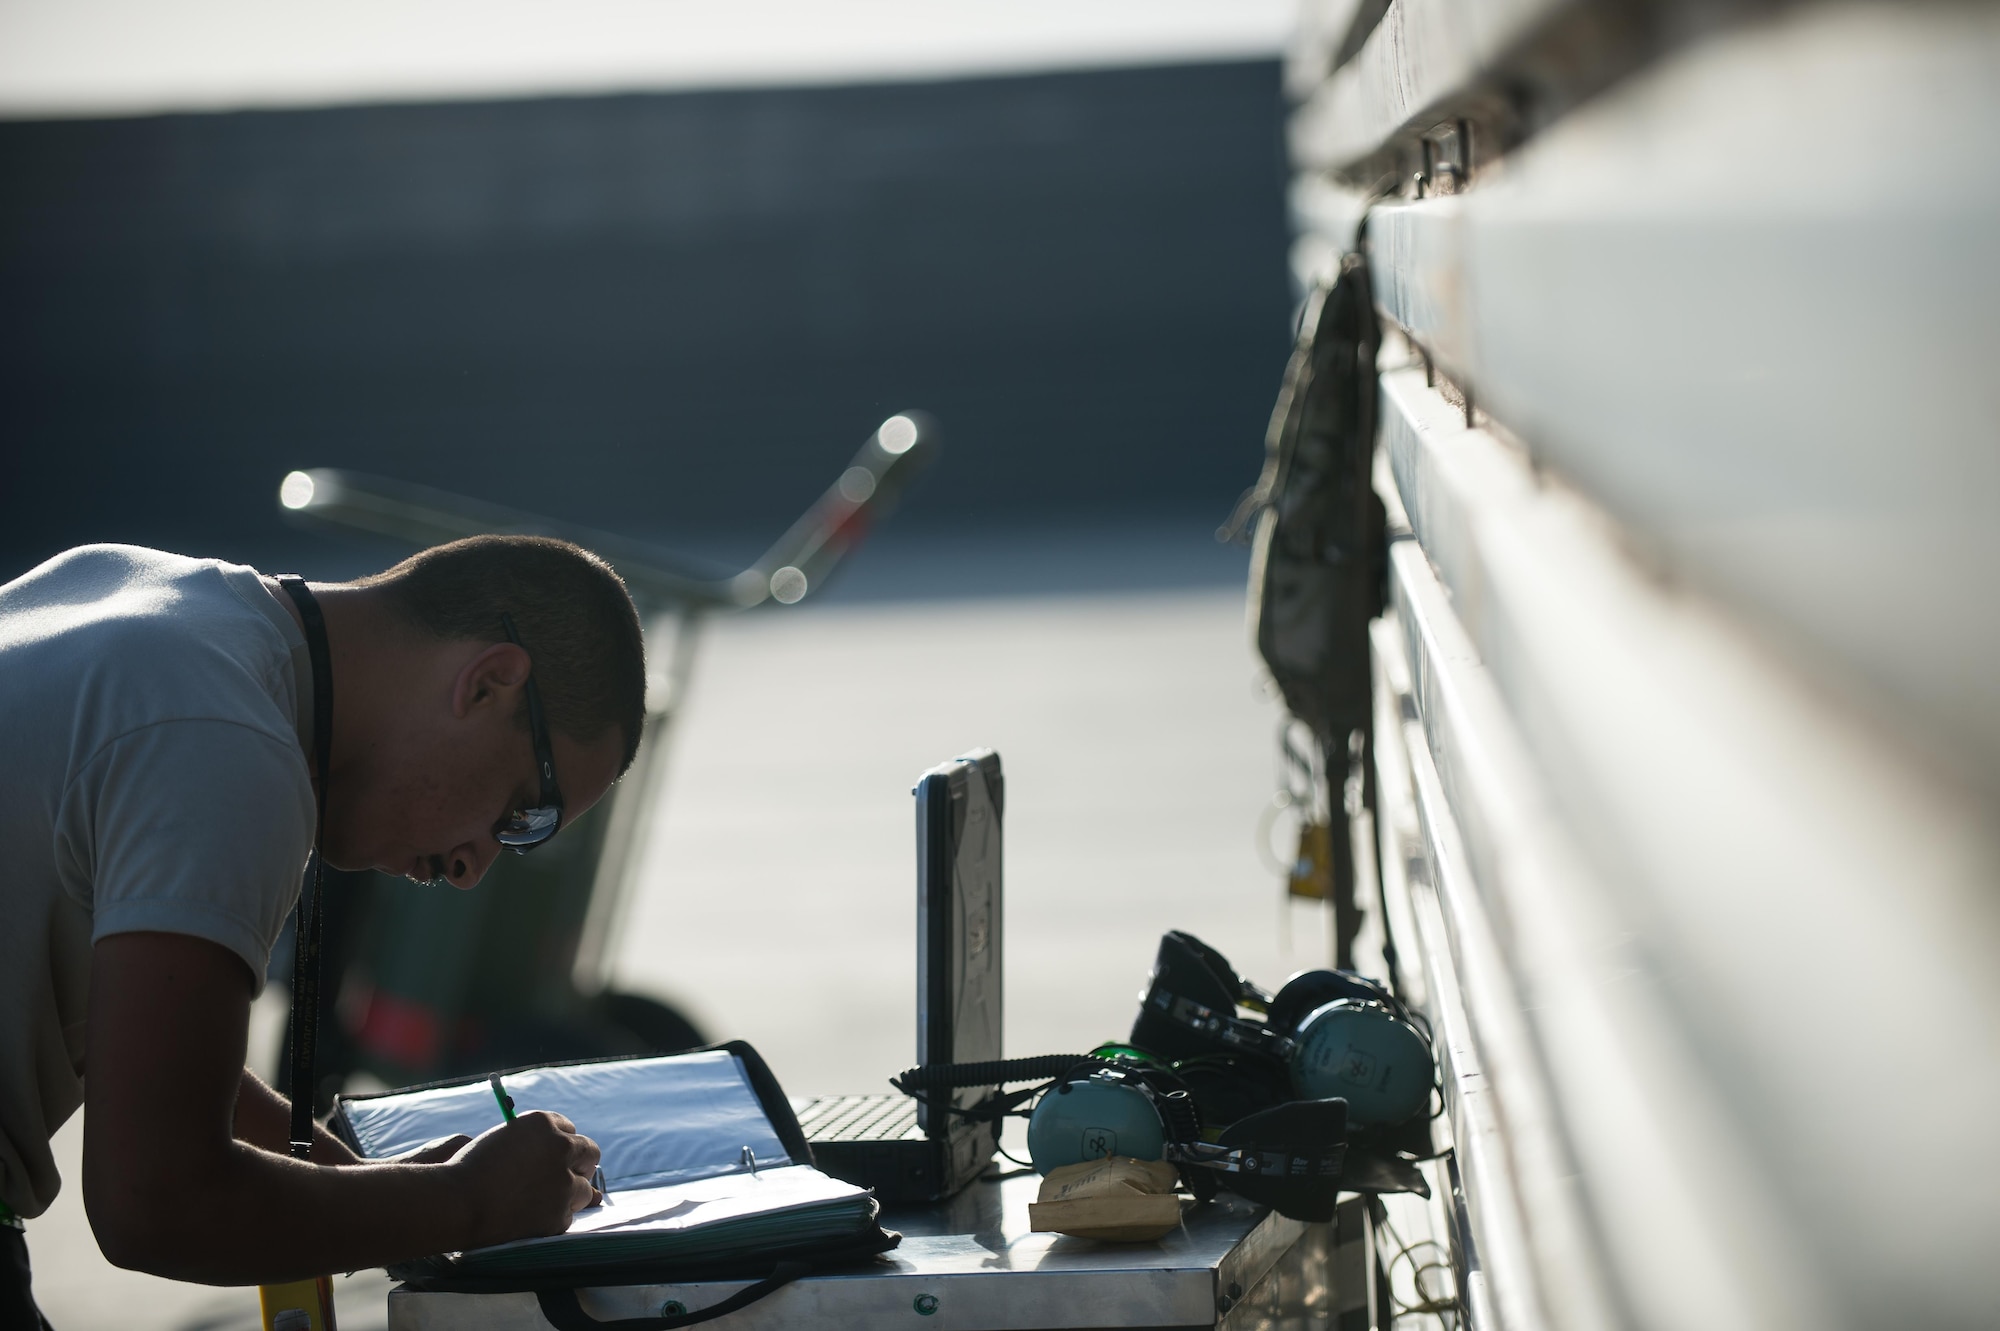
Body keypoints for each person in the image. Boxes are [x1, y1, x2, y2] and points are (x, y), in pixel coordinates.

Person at [0, 535, 650, 1324]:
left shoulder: (138, 593)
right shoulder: (231, 745)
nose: (478, 864)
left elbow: (128, 1036)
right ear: (488, 684)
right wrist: (465, 1203)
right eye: (523, 811)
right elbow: (157, 1200)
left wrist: (379, 1186)